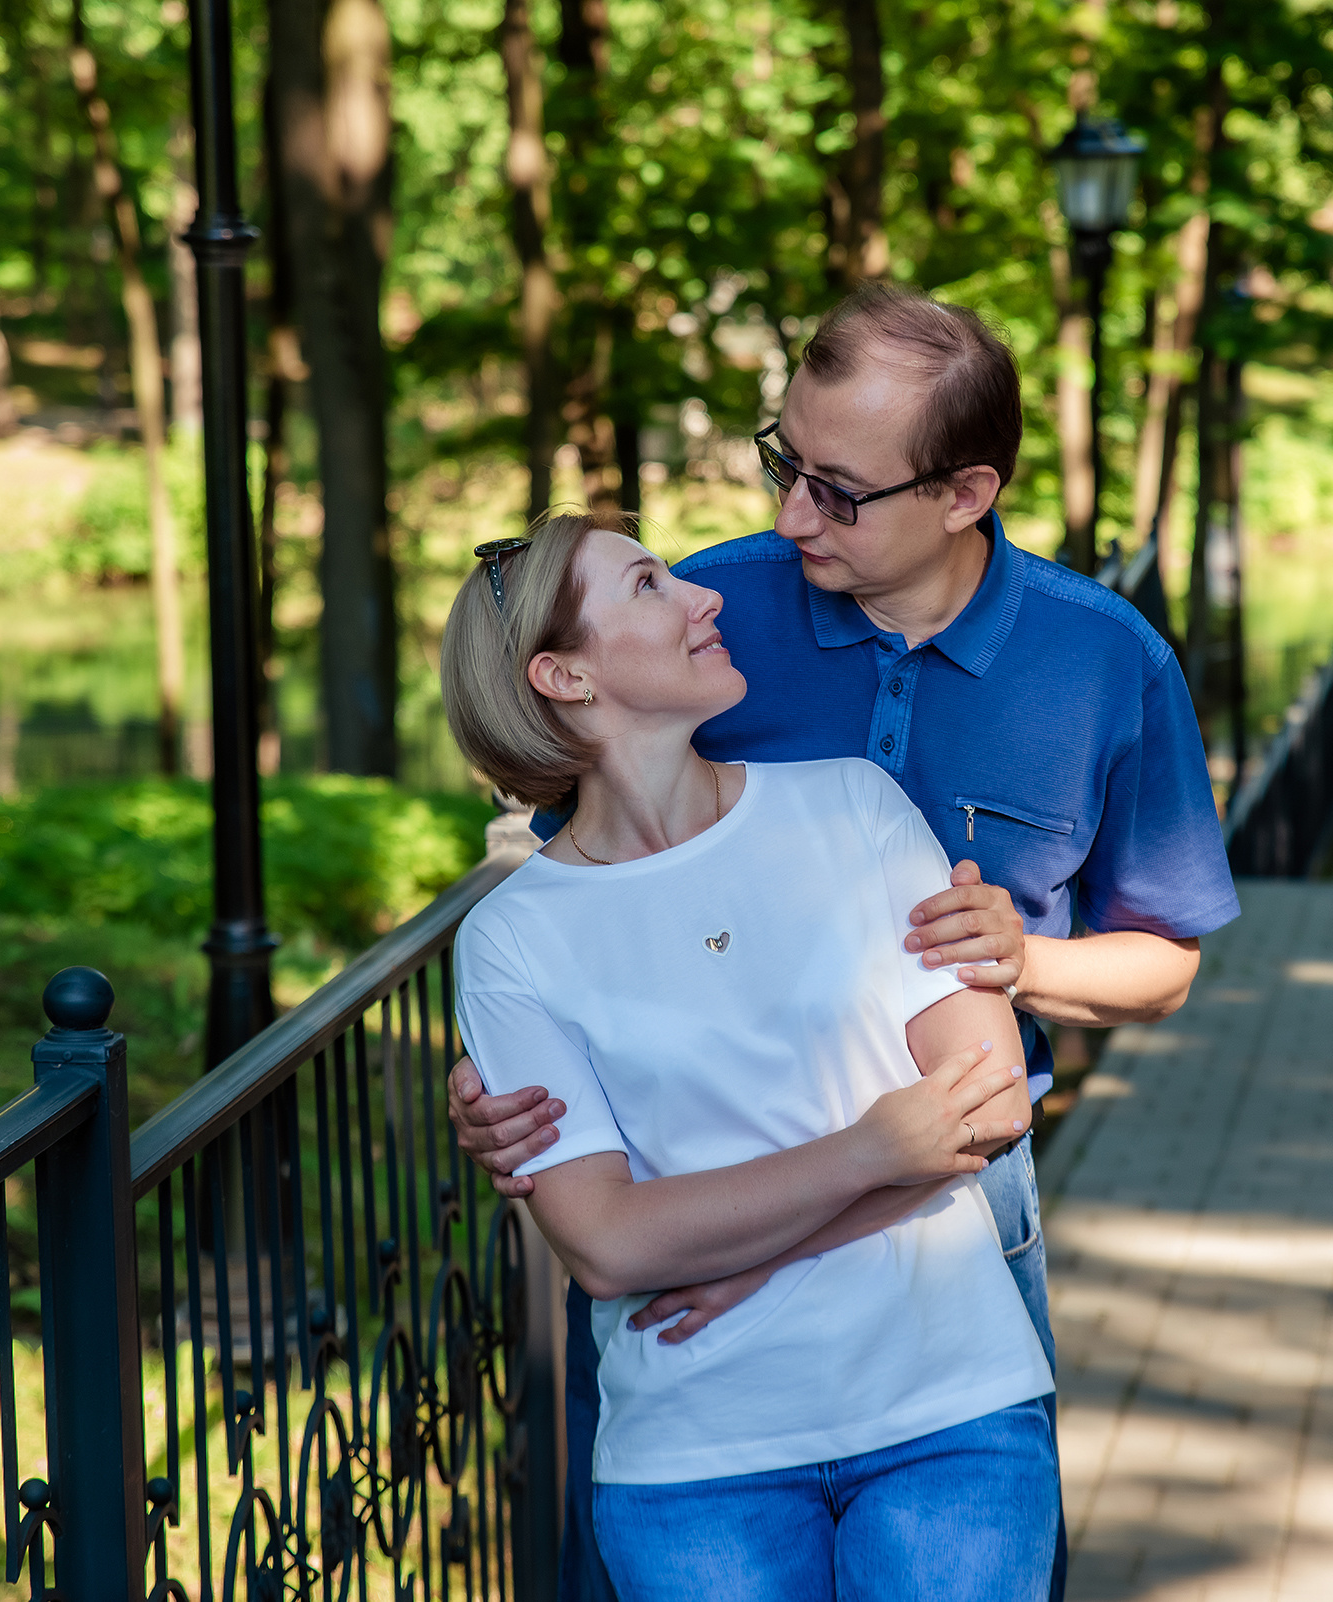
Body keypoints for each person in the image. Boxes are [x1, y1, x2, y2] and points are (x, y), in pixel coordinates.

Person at [449, 285, 1241, 1600]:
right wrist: (507, 1089)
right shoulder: (710, 608)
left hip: (954, 1209)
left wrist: (1025, 962)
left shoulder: (1105, 664)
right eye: (784, 462)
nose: (788, 518)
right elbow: (573, 885)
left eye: (838, 490)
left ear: (965, 491)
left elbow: (1163, 960)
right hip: (694, 1231)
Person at [443, 510, 1056, 1600]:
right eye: (647, 587)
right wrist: (872, 1150)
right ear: (563, 675)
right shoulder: (511, 937)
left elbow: (989, 1102)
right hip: (694, 1465)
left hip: (948, 1410)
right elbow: (610, 1248)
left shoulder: (856, 808)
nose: (703, 597)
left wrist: (745, 1254)